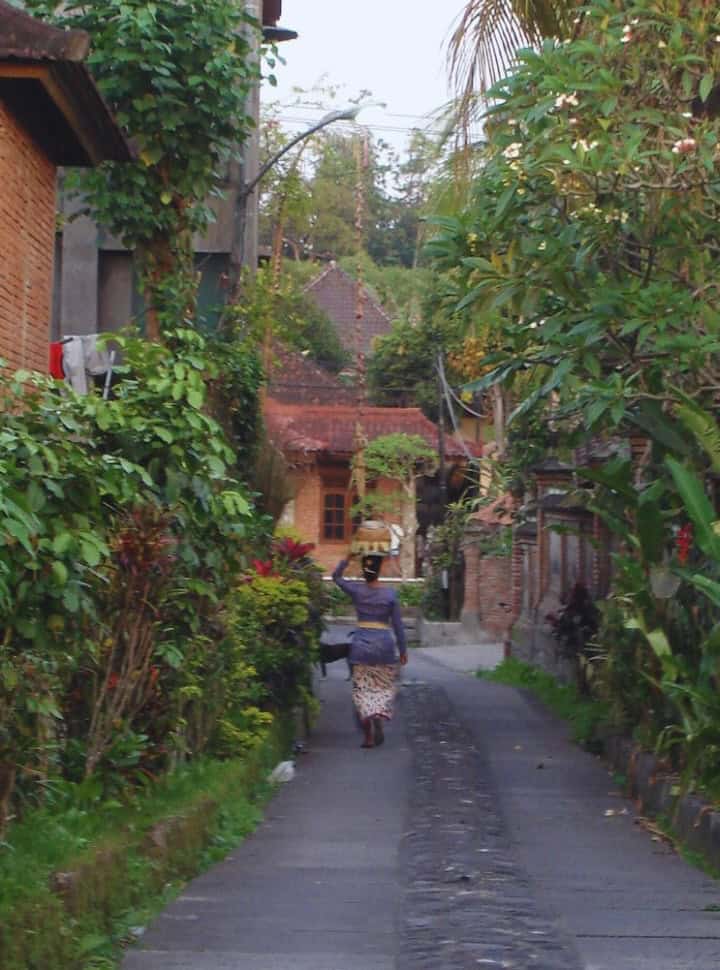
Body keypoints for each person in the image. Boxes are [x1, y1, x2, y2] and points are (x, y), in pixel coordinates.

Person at [332, 553, 408, 749]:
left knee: (362, 691)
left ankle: (368, 737)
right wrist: (403, 650)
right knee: (380, 689)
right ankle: (378, 719)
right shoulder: (390, 595)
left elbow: (336, 578)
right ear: (379, 570)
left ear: (364, 572)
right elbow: (398, 626)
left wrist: (347, 558)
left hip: (361, 647)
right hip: (384, 647)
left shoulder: (357, 591)